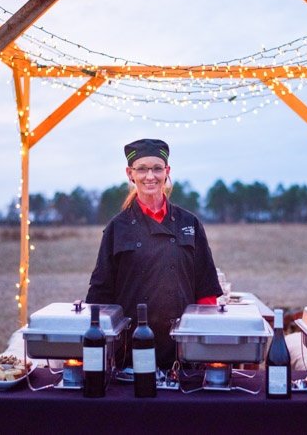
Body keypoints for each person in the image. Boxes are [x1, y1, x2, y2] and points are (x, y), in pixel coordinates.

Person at [86, 138, 222, 370]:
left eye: (157, 168)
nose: (150, 176)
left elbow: (206, 290)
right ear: (130, 174)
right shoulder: (117, 228)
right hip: (130, 350)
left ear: (167, 171)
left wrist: (204, 346)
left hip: (183, 349)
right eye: (142, 169)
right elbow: (101, 293)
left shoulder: (189, 223)